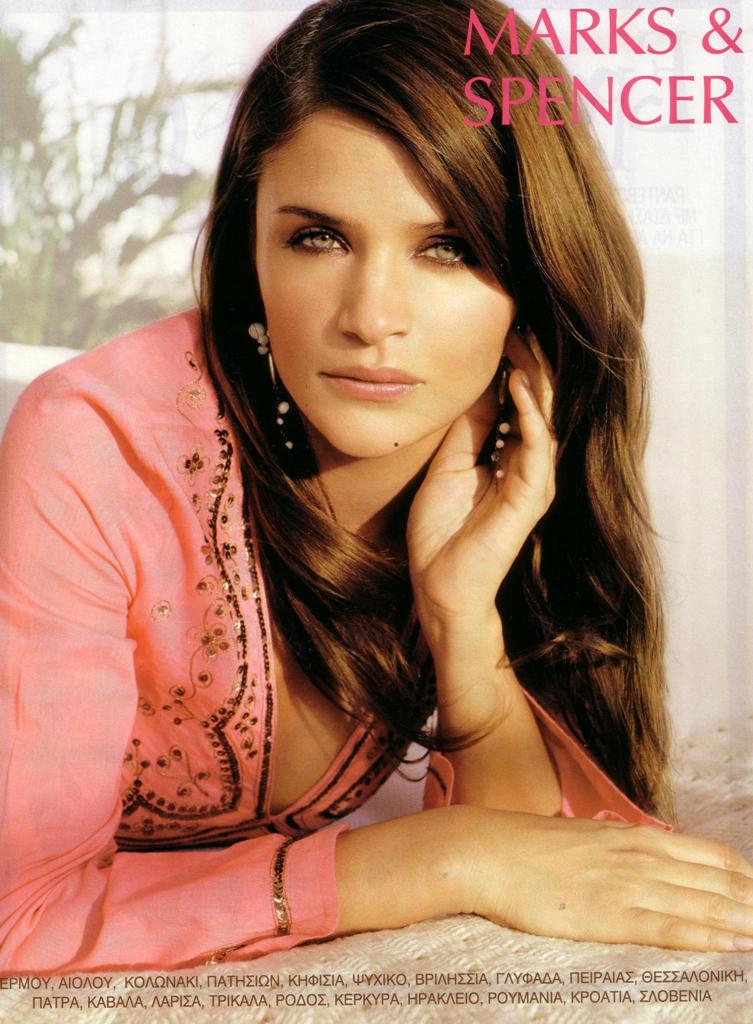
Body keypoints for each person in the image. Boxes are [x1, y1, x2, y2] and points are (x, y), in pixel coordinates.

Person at [1, 0, 752, 974]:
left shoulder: (489, 476)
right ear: (250, 251)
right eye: (319, 238)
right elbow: (17, 910)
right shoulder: (97, 446)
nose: (371, 317)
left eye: (449, 247)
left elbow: (545, 863)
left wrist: (461, 617)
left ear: (533, 282)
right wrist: (432, 856)